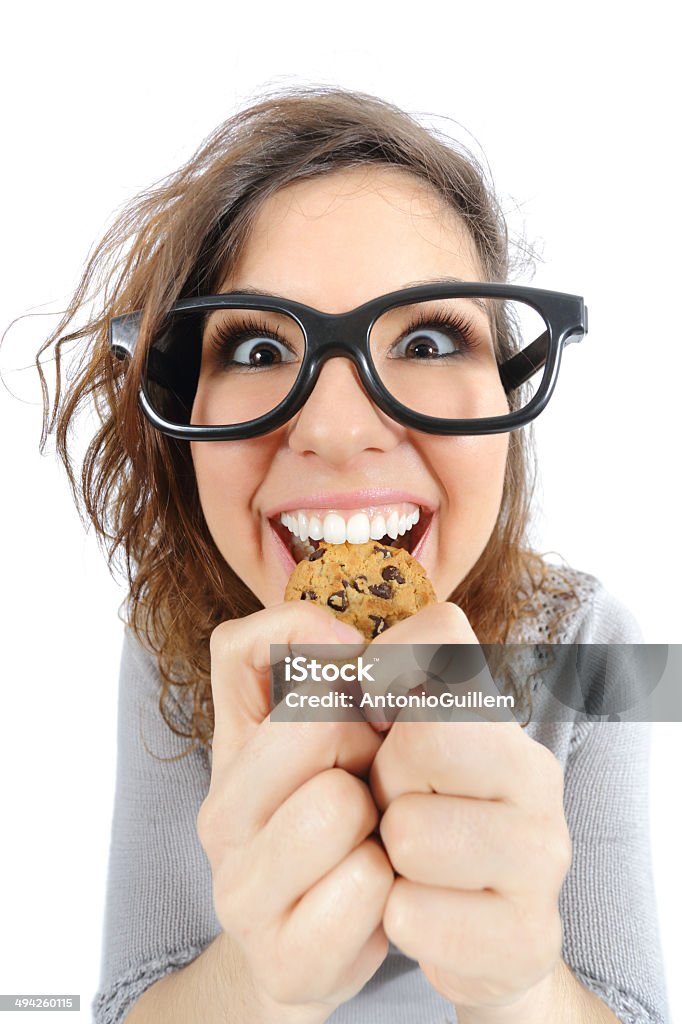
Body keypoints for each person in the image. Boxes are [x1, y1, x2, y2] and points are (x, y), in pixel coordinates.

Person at [36, 86, 668, 1023]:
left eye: (423, 339)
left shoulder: (598, 644)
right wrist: (257, 984)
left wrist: (525, 992)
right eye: (254, 350)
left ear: (507, 389)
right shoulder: (170, 646)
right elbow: (126, 1002)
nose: (334, 429)